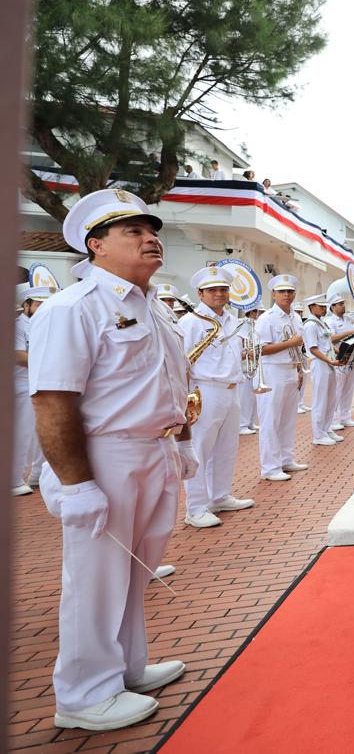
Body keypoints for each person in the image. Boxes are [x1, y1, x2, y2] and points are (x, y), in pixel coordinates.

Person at [28, 189, 195, 731]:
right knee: (96, 578)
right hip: (105, 454)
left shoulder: (154, 307)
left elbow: (172, 383)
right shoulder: (73, 307)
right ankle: (82, 694)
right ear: (95, 246)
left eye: (153, 231)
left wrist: (183, 443)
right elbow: (54, 399)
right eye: (133, 232)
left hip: (153, 450)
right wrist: (76, 484)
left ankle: (125, 667)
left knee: (134, 572)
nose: (151, 239)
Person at [179, 266, 257, 529]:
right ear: (200, 293)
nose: (219, 294)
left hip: (232, 388)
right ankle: (196, 508)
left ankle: (220, 496)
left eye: (223, 289)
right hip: (205, 390)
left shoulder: (233, 321)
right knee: (200, 449)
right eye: (212, 290)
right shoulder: (190, 323)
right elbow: (182, 361)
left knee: (226, 448)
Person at [255, 275, 308, 481]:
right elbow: (261, 349)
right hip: (271, 371)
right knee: (270, 420)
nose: (286, 295)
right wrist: (289, 342)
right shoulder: (266, 318)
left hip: (290, 370)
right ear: (274, 294)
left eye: (290, 291)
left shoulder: (295, 317)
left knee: (288, 419)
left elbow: (297, 348)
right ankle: (269, 467)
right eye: (282, 291)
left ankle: (286, 459)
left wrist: (298, 370)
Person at [13, 284, 54, 495]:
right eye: (39, 303)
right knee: (23, 432)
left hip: (42, 382)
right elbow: (18, 356)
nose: (43, 307)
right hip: (21, 385)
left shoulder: (47, 324)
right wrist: (50, 361)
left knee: (43, 431)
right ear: (26, 305)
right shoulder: (18, 326)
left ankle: (38, 474)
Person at [302, 294, 341, 445]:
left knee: (330, 398)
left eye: (325, 306)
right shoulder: (310, 325)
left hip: (329, 362)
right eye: (321, 306)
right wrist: (329, 360)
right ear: (312, 307)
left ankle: (327, 428)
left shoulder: (322, 323)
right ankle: (318, 434)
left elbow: (328, 345)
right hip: (320, 363)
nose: (325, 309)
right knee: (320, 399)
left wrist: (339, 355)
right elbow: (313, 348)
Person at [325, 296, 354, 431]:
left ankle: (345, 417)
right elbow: (331, 338)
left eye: (343, 303)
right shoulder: (329, 322)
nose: (343, 306)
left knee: (348, 390)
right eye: (339, 304)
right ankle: (333, 419)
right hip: (338, 359)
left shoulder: (348, 320)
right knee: (337, 391)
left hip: (351, 358)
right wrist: (350, 331)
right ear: (332, 307)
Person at [236, 306, 263, 435]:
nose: (260, 314)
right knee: (245, 396)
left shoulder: (257, 325)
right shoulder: (243, 324)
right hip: (246, 364)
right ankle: (242, 424)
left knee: (253, 396)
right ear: (251, 312)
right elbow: (241, 342)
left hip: (255, 362)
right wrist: (247, 352)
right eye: (259, 311)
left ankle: (251, 422)